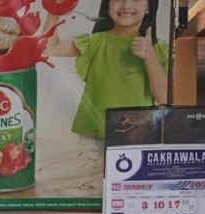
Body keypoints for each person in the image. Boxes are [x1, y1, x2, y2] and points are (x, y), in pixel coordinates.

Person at [44, 0, 168, 139]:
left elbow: (163, 97)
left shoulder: (158, 49)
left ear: (148, 8)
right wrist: (53, 13)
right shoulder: (94, 42)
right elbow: (50, 48)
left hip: (136, 135)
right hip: (93, 133)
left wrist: (150, 57)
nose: (126, 5)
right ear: (107, 7)